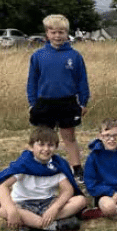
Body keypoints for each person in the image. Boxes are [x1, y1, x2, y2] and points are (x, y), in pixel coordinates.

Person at [0, 126, 85, 231]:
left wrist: (54, 208)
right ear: (31, 147)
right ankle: (50, 225)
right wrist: (11, 210)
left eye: (50, 145)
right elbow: (2, 187)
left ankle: (29, 224)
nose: (46, 149)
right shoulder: (24, 164)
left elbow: (68, 189)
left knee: (80, 200)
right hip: (24, 204)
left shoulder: (57, 165)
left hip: (47, 203)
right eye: (41, 144)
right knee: (3, 210)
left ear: (56, 147)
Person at [27, 14, 90, 181]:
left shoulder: (74, 56)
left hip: (67, 101)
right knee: (43, 138)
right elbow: (32, 81)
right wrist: (32, 103)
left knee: (69, 136)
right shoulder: (38, 55)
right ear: (47, 33)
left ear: (66, 33)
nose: (57, 36)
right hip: (45, 102)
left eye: (61, 32)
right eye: (53, 32)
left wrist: (83, 102)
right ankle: (40, 167)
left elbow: (82, 80)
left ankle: (76, 168)